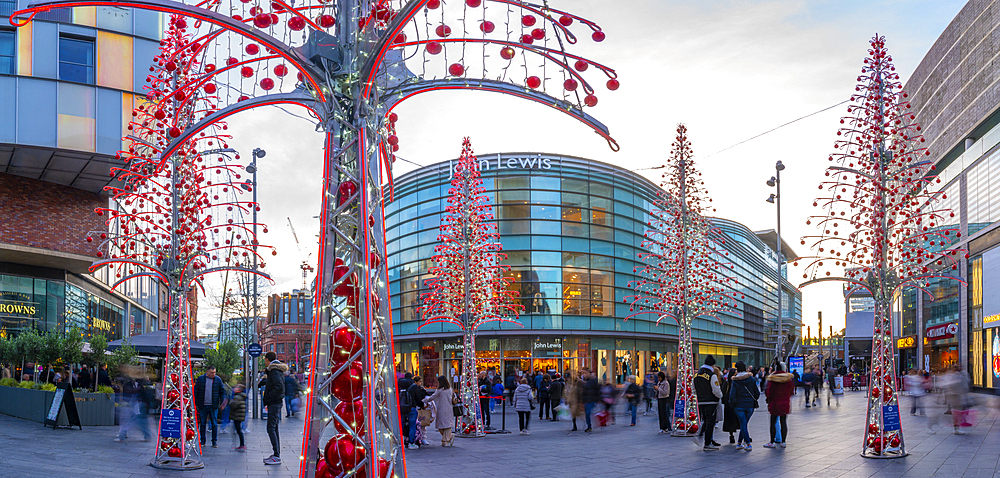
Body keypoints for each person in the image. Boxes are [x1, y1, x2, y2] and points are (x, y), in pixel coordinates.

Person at [259, 351, 287, 464]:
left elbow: (279, 387)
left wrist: (269, 397)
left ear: (267, 359)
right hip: (276, 402)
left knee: (271, 428)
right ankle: (276, 454)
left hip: (274, 403)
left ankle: (277, 456)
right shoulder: (275, 370)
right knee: (274, 428)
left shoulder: (274, 370)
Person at [693, 355, 723, 451]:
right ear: (712, 365)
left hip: (701, 402)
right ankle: (707, 443)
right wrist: (720, 396)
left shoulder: (696, 375)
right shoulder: (712, 375)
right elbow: (716, 390)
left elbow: (693, 389)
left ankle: (709, 439)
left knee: (705, 421)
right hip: (711, 401)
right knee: (710, 422)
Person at [729, 361, 760, 451]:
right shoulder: (752, 379)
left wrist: (732, 404)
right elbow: (757, 393)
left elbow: (732, 394)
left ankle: (748, 443)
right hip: (750, 405)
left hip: (739, 405)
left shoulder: (735, 380)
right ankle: (739, 443)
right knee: (744, 423)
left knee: (743, 424)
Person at [763, 362, 794, 448]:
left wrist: (768, 399)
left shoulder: (772, 378)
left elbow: (769, 391)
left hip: (774, 403)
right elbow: (791, 391)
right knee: (783, 422)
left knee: (773, 422)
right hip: (784, 402)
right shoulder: (788, 378)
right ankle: (783, 442)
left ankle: (772, 441)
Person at [193, 366, 225, 448]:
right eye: (212, 372)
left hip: (213, 405)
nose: (213, 374)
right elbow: (196, 391)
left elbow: (222, 391)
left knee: (214, 424)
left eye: (214, 372)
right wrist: (195, 403)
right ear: (207, 372)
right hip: (202, 405)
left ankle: (214, 441)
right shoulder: (201, 379)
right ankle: (202, 441)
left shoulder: (218, 380)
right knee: (202, 424)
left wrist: (223, 401)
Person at [423, 375, 456, 446]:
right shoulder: (450, 389)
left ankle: (445, 441)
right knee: (447, 425)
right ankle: (449, 436)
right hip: (449, 408)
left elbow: (432, 397)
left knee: (442, 425)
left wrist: (425, 400)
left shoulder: (440, 390)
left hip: (442, 408)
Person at [397, 373, 417, 448]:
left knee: (400, 425)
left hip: (401, 407)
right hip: (411, 407)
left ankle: (400, 442)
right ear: (411, 377)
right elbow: (417, 397)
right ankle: (411, 443)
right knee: (412, 425)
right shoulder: (413, 386)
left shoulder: (399, 384)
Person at [721, 367, 739, 444]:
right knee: (731, 420)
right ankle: (731, 435)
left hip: (733, 403)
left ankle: (742, 435)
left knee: (738, 420)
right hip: (730, 404)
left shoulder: (729, 383)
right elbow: (723, 392)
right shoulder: (728, 383)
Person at [229, 384, 248, 452]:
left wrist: (230, 402)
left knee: (238, 430)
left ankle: (242, 445)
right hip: (238, 415)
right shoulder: (240, 396)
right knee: (237, 429)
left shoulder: (237, 397)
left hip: (237, 415)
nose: (234, 388)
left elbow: (234, 405)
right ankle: (240, 444)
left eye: (236, 387)